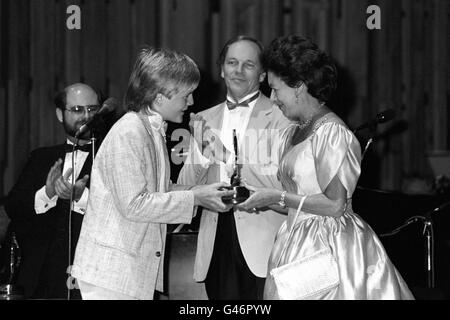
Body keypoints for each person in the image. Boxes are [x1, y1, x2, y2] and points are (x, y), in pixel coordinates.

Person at [238, 35, 414, 300]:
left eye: (276, 89)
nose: (272, 98)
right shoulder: (294, 132)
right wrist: (258, 196)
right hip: (295, 242)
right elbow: (298, 202)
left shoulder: (332, 132)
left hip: (330, 247)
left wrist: (277, 196)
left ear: (299, 86)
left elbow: (335, 205)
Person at [70, 46, 234, 300]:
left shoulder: (152, 130)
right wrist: (196, 198)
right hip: (112, 273)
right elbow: (134, 204)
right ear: (159, 97)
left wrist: (201, 190)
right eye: (186, 95)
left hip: (127, 273)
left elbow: (161, 189)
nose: (191, 103)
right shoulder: (129, 131)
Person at [177, 35, 291, 300]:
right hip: (216, 239)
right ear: (221, 69)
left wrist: (225, 155)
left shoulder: (282, 116)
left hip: (265, 242)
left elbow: (284, 185)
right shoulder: (203, 119)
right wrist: (204, 156)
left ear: (262, 75)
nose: (238, 71)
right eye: (232, 62)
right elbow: (184, 186)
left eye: (248, 64)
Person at [4, 83, 105, 299]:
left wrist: (82, 197)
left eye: (93, 109)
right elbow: (13, 206)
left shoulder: (109, 157)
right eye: (77, 109)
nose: (86, 116)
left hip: (92, 277)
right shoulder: (40, 157)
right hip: (40, 277)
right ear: (60, 114)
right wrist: (47, 193)